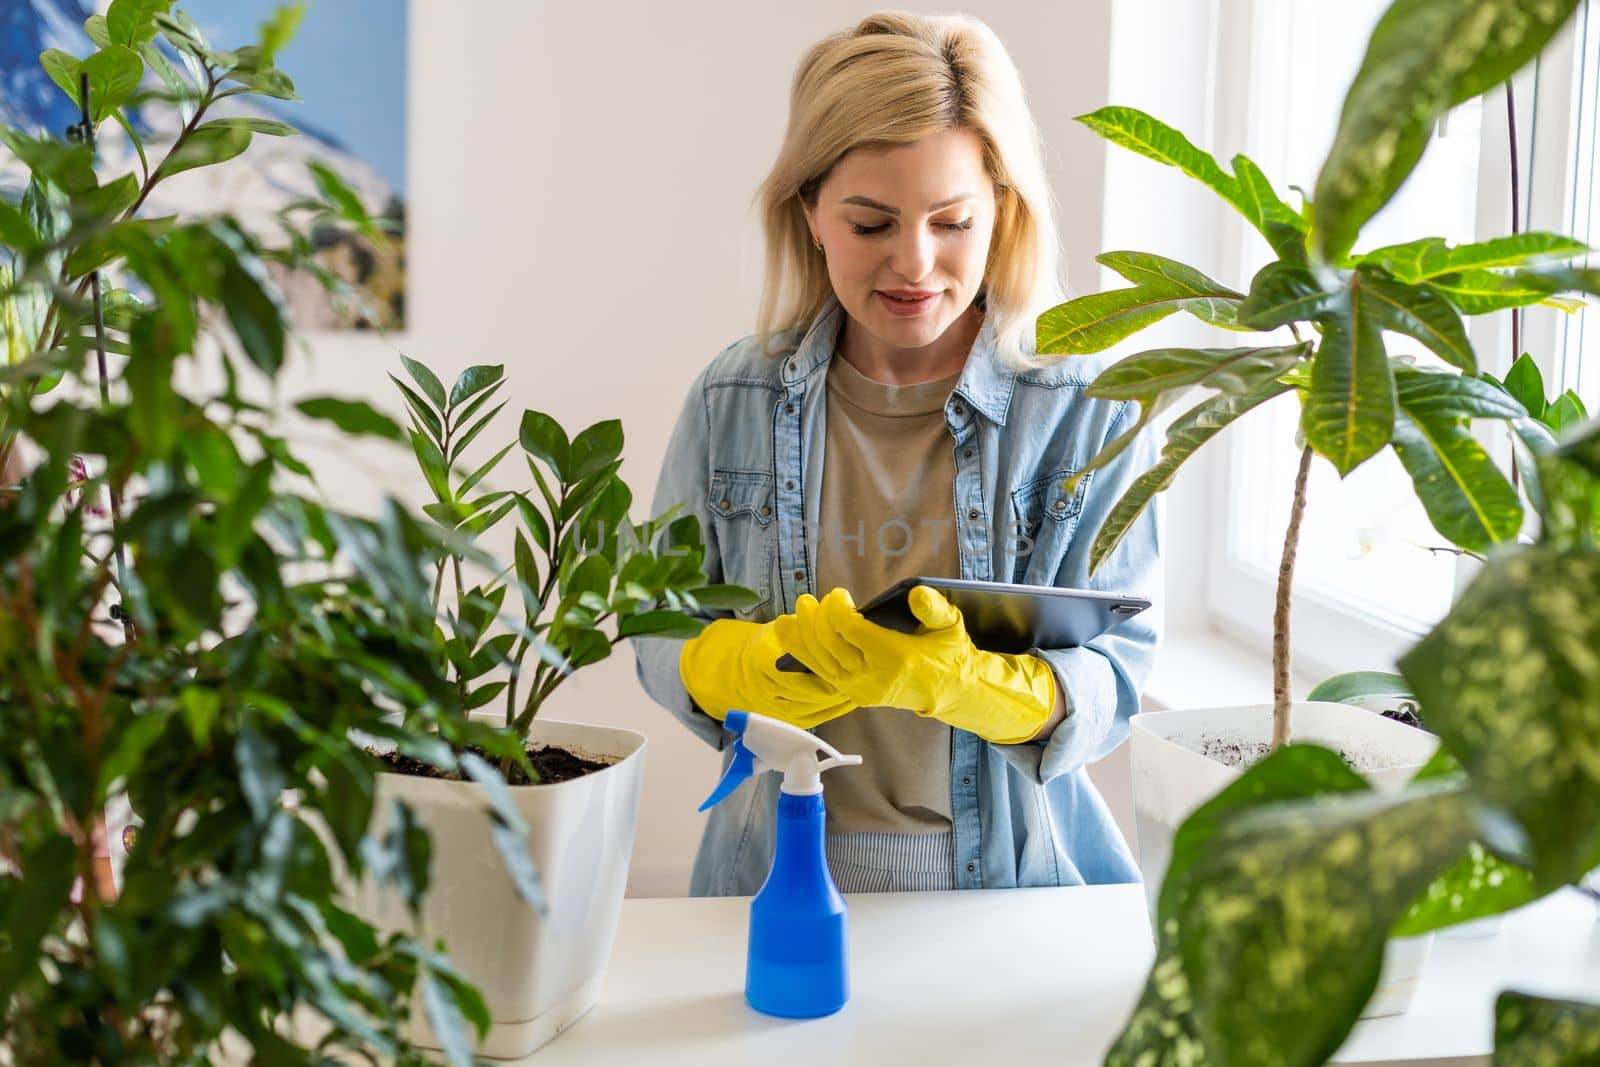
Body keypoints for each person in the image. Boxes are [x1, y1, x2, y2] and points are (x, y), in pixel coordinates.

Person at [631, 11, 1162, 897]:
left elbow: (1119, 673)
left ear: (1003, 208)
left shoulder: (1083, 407)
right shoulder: (733, 399)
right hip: (770, 883)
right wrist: (725, 663)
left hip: (1014, 899)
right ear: (809, 213)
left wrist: (972, 684)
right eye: (871, 223)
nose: (914, 263)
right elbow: (655, 626)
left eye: (952, 220)